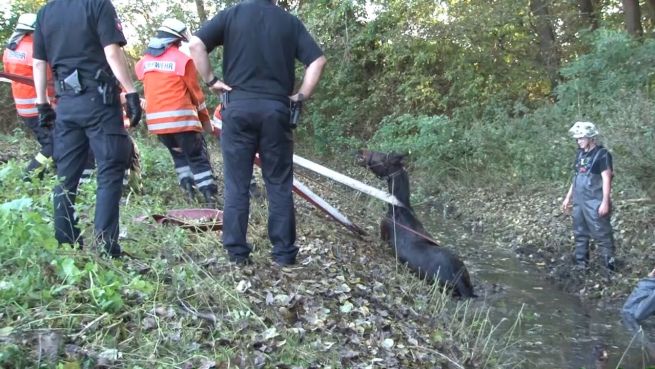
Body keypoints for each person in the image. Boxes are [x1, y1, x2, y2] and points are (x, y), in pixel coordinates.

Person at [189, 0, 327, 266]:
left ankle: (237, 253)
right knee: (278, 183)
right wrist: (300, 95)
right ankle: (284, 254)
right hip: (276, 111)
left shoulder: (232, 15)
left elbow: (196, 44)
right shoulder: (289, 22)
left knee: (237, 184)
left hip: (238, 107)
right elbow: (317, 60)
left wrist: (212, 81)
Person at [32, 0, 142, 257]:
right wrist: (131, 91)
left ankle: (67, 243)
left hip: (66, 105)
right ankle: (106, 247)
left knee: (65, 177)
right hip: (100, 102)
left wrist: (42, 104)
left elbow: (39, 63)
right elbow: (112, 52)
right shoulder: (98, 5)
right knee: (109, 171)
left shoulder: (46, 12)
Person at [135, 19, 218, 206]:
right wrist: (205, 122)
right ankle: (209, 197)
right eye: (179, 41)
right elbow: (196, 95)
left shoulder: (143, 63)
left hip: (158, 126)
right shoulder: (183, 60)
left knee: (179, 156)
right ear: (175, 40)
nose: (181, 44)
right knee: (197, 157)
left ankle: (188, 191)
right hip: (182, 122)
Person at [2, 13, 56, 178]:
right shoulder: (34, 50)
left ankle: (52, 171)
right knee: (53, 143)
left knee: (50, 141)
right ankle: (30, 174)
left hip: (24, 107)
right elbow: (49, 77)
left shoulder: (11, 49)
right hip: (39, 105)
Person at [561, 121, 615, 271]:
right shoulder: (580, 154)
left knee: (602, 234)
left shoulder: (602, 154)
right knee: (580, 232)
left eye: (581, 138)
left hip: (595, 200)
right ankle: (581, 265)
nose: (579, 141)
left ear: (591, 137)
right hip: (579, 200)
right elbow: (577, 176)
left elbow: (606, 178)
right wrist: (568, 197)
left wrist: (605, 202)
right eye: (577, 139)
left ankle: (609, 268)